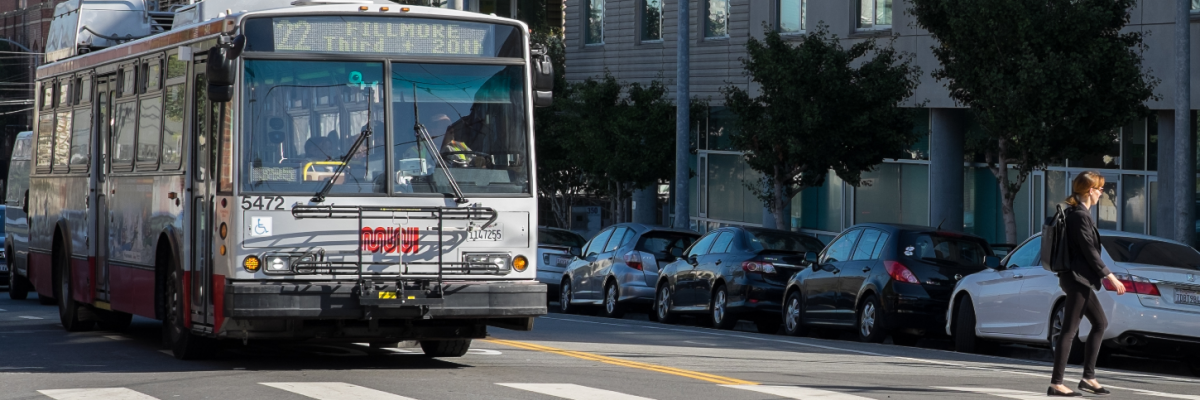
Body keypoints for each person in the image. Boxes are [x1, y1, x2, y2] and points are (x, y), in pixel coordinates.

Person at [1048, 171, 1126, 397]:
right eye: (1100, 189)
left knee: (1100, 323)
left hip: (1079, 278)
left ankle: (1088, 378)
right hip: (1077, 278)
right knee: (1069, 330)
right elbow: (1090, 252)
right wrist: (1110, 276)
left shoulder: (1077, 213)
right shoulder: (1080, 216)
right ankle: (1056, 383)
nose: (1102, 193)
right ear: (1090, 191)